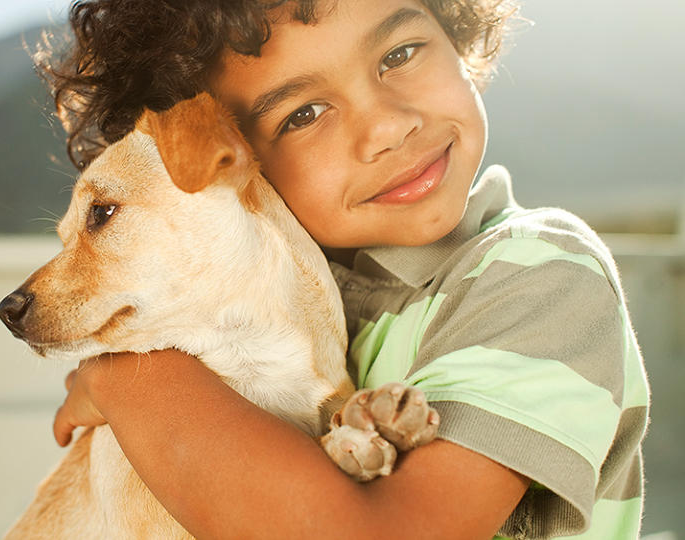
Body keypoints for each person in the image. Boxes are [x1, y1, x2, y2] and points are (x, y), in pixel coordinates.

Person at [40, 1, 650, 538]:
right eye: (303, 115)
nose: (387, 126)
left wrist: (126, 382)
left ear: (456, 32)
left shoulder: (542, 277)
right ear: (232, 169)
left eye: (401, 53)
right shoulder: (288, 302)